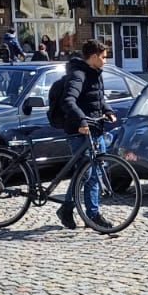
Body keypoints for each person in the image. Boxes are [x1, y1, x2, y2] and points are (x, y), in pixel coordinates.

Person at [46, 39, 119, 231]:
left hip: (96, 129)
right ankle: (79, 211)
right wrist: (81, 122)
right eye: (104, 57)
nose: (106, 61)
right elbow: (68, 101)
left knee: (93, 172)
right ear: (94, 57)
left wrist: (108, 110)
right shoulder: (78, 75)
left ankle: (82, 212)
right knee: (87, 173)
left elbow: (97, 98)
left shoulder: (95, 73)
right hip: (80, 131)